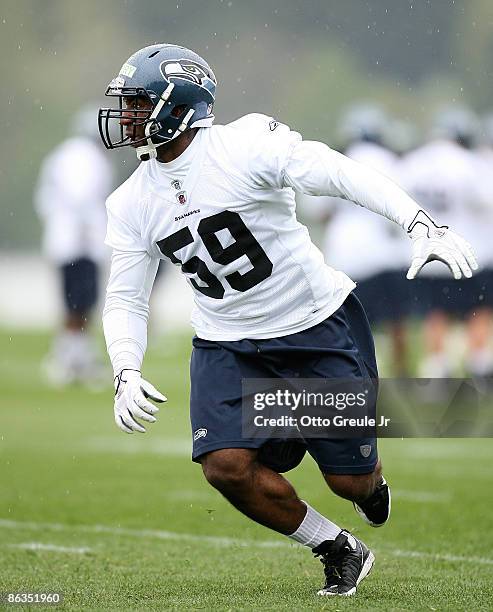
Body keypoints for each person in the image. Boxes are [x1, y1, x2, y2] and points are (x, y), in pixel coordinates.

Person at [98, 44, 477, 597]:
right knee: (224, 465)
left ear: (178, 104)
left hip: (315, 326)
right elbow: (125, 298)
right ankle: (336, 548)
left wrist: (417, 223)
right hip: (227, 342)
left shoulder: (245, 145)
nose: (125, 116)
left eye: (137, 102)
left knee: (349, 480)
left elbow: (338, 173)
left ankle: (371, 488)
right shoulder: (130, 201)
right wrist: (124, 370)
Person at [399, 107, 487, 378]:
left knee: (434, 310)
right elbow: (485, 201)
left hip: (428, 251)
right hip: (464, 246)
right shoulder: (469, 162)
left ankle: (438, 365)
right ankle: (479, 361)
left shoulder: (414, 163)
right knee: (477, 307)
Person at [35, 105, 113, 386]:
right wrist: (82, 234)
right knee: (79, 303)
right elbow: (80, 196)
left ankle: (76, 357)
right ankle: (67, 359)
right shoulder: (84, 157)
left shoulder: (64, 154)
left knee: (77, 303)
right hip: (80, 242)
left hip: (65, 239)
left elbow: (44, 199)